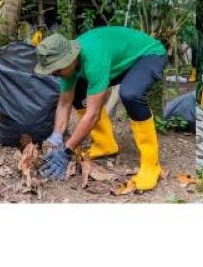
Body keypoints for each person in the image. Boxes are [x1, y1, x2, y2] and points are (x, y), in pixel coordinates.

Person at [34, 27, 167, 192]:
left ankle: (151, 164)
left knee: (131, 94)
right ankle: (105, 145)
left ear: (70, 59)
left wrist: (66, 150)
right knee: (77, 93)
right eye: (53, 72)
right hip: (120, 61)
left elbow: (92, 114)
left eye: (58, 70)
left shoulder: (93, 59)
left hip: (149, 55)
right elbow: (64, 103)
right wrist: (56, 137)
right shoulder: (68, 67)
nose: (56, 74)